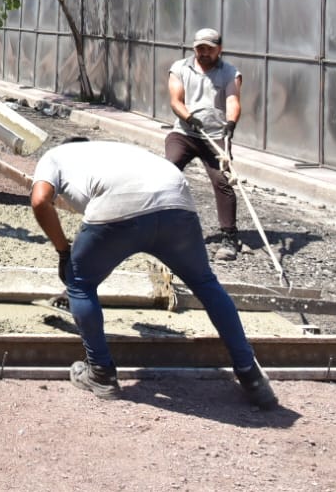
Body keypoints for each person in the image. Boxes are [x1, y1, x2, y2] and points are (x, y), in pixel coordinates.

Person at [29, 137, 278, 409]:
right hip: (175, 200)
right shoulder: (113, 150)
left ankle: (100, 373)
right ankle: (251, 375)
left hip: (119, 204)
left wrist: (65, 253)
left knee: (79, 283)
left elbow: (40, 201)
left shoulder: (53, 157)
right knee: (205, 283)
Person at [167, 27, 244, 260]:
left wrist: (231, 123)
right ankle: (158, 226)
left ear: (219, 49)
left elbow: (233, 99)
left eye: (209, 49)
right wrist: (189, 118)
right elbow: (175, 101)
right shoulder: (180, 68)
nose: (204, 52)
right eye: (200, 48)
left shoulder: (230, 72)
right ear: (194, 48)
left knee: (222, 181)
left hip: (216, 136)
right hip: (184, 133)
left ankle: (229, 236)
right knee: (167, 171)